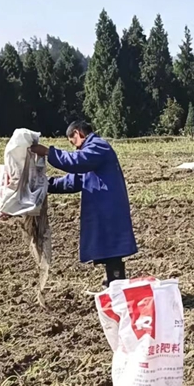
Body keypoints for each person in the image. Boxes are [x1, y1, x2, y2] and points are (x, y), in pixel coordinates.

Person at [30, 121, 138, 286]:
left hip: (109, 208)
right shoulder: (90, 154)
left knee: (113, 248)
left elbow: (76, 161)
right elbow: (73, 181)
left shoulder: (98, 146)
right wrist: (45, 185)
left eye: (72, 141)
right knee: (107, 248)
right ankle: (113, 283)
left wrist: (47, 152)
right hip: (102, 208)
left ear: (77, 132)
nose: (74, 147)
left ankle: (117, 284)